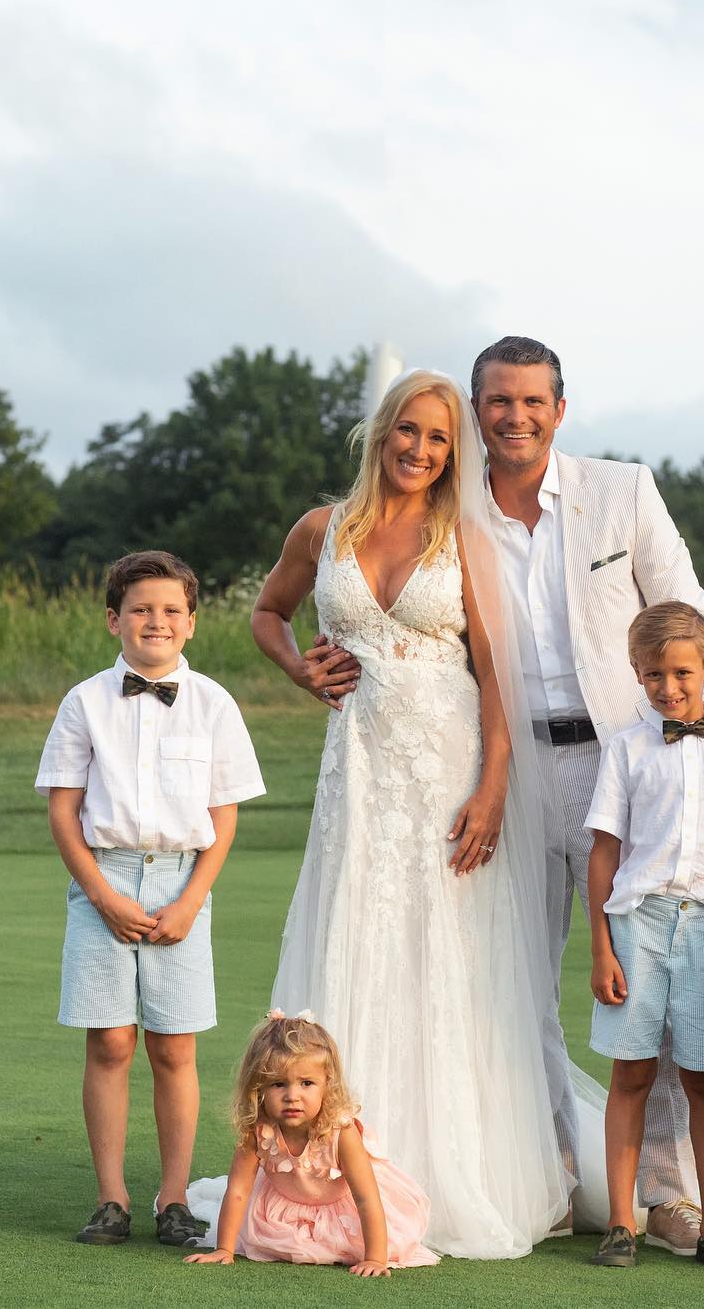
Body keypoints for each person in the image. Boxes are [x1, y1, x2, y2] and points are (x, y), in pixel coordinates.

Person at [247, 369, 569, 1258]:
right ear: (381, 432)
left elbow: (499, 671)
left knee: (448, 952)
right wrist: (302, 669)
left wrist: (493, 786)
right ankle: (328, 1177)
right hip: (358, 769)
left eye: (440, 440)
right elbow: (267, 613)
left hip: (449, 769)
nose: (422, 451)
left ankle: (449, 1168)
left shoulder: (462, 536)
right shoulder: (323, 530)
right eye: (410, 433)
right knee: (357, 928)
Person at [471, 335, 704, 1249]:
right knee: (512, 978)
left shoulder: (621, 490)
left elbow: (687, 603)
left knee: (658, 976)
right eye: (497, 401)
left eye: (531, 401)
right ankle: (547, 1173)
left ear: (561, 409)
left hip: (629, 757)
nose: (515, 416)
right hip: (507, 768)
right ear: (477, 409)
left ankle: (672, 1195)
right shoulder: (448, 506)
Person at [36, 550, 265, 1248]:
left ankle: (173, 1198)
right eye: (140, 609)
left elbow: (223, 819)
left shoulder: (214, 704)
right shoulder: (85, 701)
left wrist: (193, 899)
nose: (155, 621)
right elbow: (63, 812)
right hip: (101, 878)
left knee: (173, 1046)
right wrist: (101, 894)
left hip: (181, 884)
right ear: (114, 619)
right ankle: (112, 1198)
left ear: (191, 623)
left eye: (171, 610)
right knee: (109, 1041)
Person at [585, 603, 704, 1271]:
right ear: (638, 674)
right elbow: (604, 853)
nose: (668, 686)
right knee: (631, 1071)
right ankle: (620, 1223)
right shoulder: (627, 748)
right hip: (637, 926)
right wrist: (602, 944)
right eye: (653, 674)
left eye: (682, 672)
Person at [184, 1012, 438, 1273]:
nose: (292, 1096)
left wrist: (375, 1258)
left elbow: (366, 1197)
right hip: (286, 1203)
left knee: (361, 1245)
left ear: (327, 1085)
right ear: (258, 1088)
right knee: (272, 1241)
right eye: (278, 1084)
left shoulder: (342, 1131)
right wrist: (224, 1249)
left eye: (306, 1083)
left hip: (344, 1205)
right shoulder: (258, 1129)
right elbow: (238, 1189)